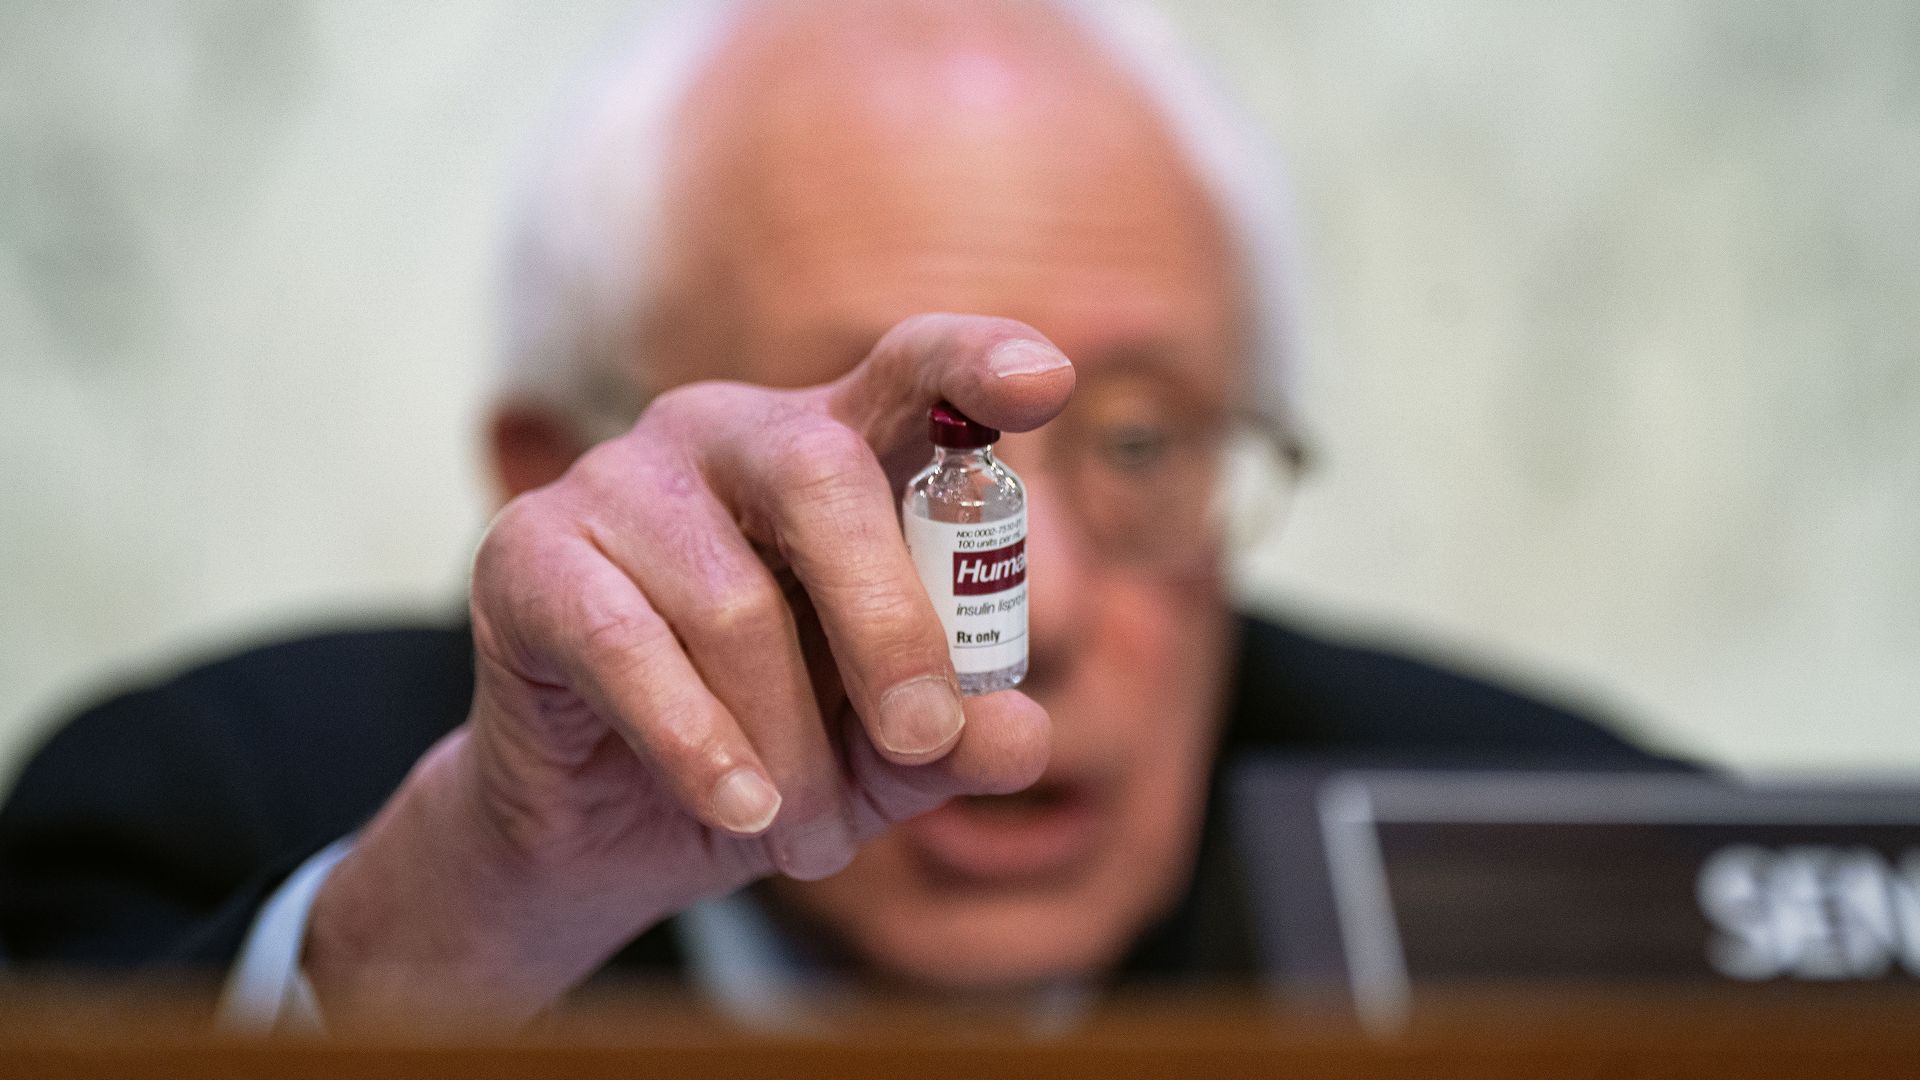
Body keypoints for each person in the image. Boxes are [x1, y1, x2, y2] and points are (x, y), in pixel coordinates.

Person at [0, 0, 1665, 1030]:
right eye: (890, 466)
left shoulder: (1575, 855)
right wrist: (439, 935)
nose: (1045, 613)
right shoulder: (201, 816)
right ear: (549, 474)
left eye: (1148, 444)